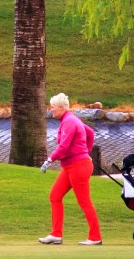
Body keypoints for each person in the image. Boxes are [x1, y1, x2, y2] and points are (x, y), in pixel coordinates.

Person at [37, 93, 102, 246]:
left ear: (61, 108)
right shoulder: (70, 120)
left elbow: (64, 146)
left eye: (53, 107)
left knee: (84, 201)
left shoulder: (69, 121)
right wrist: (86, 151)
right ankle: (56, 234)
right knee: (55, 196)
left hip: (78, 166)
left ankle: (95, 236)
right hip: (70, 166)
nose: (51, 109)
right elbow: (90, 133)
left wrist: (49, 160)